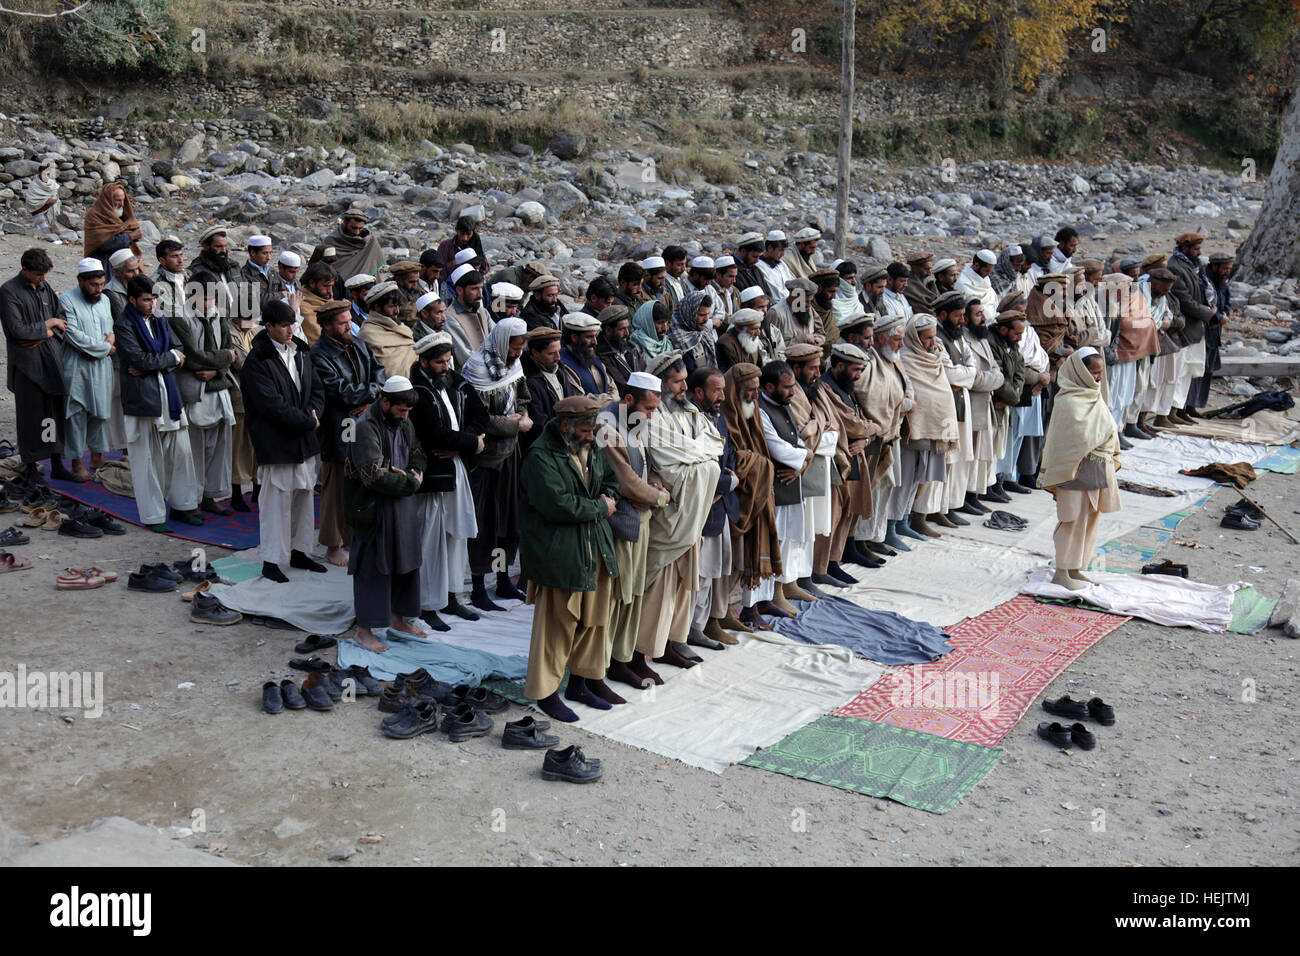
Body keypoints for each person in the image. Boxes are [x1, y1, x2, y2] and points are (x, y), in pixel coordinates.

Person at [519, 394, 621, 721]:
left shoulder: (589, 445)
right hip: (559, 552)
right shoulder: (539, 456)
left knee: (593, 621)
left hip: (594, 546)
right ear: (566, 426)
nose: (592, 437)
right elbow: (557, 505)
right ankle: (545, 693)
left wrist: (610, 497)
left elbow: (611, 481)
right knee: (556, 626)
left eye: (593, 431)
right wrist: (600, 507)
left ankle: (581, 682)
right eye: (587, 432)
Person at [638, 351, 723, 669]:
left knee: (684, 584)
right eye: (676, 382)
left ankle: (675, 640)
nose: (684, 387)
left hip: (693, 510)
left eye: (685, 380)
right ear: (659, 385)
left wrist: (699, 458)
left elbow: (716, 443)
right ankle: (648, 646)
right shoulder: (651, 415)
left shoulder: (689, 410)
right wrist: (702, 460)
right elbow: (668, 463)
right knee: (661, 585)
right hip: (671, 512)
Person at [239, 300, 325, 583]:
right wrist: (308, 421)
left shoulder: (301, 351)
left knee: (303, 496)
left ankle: (300, 551)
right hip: (276, 441)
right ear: (270, 326)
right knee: (275, 502)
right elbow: (271, 406)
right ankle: (272, 560)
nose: (290, 330)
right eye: (284, 325)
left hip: (305, 439)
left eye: (292, 324)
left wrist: (314, 415)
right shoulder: (257, 361)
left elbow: (316, 389)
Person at [597, 371, 672, 689]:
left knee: (634, 594)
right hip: (621, 524)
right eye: (650, 408)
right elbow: (626, 482)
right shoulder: (605, 428)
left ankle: (626, 658)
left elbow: (641, 465)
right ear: (628, 400)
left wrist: (654, 482)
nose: (653, 415)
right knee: (618, 596)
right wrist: (659, 496)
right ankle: (608, 664)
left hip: (640, 520)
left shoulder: (632, 420)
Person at [343, 377, 427, 652]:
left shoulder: (404, 421)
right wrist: (411, 482)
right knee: (372, 568)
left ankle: (398, 618)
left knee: (406, 560)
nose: (404, 416)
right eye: (401, 410)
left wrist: (412, 472)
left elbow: (417, 452)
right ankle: (364, 631)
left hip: (401, 505)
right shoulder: (364, 427)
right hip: (372, 510)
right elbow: (374, 476)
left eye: (408, 412)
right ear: (385, 400)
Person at [409, 331, 485, 630]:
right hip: (433, 476)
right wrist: (472, 443)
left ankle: (452, 596)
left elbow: (481, 414)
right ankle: (429, 604)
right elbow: (434, 435)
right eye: (439, 362)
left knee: (457, 536)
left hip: (456, 467)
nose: (445, 367)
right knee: (432, 540)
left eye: (447, 361)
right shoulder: (417, 391)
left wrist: (470, 441)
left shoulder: (455, 381)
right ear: (424, 362)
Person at [113, 275, 202, 532]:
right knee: (147, 460)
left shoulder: (159, 318)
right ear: (132, 300)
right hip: (143, 400)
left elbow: (178, 351)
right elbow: (139, 361)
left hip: (168, 395)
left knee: (181, 454)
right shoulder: (124, 325)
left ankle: (183, 507)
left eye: (153, 299)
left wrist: (159, 361)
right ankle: (153, 516)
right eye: (145, 300)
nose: (151, 305)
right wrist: (165, 360)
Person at [460, 317, 532, 611]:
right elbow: (477, 418)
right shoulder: (476, 369)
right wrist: (513, 425)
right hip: (485, 460)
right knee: (484, 523)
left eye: (520, 348)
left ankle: (502, 579)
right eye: (514, 347)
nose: (517, 353)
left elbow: (522, 397)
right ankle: (479, 586)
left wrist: (523, 416)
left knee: (507, 522)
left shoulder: (514, 366)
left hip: (510, 458)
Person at [1039, 349, 1121, 591]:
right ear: (1080, 372)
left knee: (1090, 518)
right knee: (1071, 519)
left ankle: (1076, 568)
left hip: (1096, 467)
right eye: (1094, 373)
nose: (1098, 378)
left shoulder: (1094, 396)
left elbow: (1107, 428)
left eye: (1100, 373)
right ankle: (1061, 571)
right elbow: (1080, 437)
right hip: (1073, 470)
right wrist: (1104, 435)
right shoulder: (1068, 400)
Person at [313, 299, 386, 566]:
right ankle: (333, 546)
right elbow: (339, 391)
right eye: (342, 323)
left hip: (364, 421)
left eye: (348, 321)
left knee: (358, 481)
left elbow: (378, 371)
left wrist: (370, 395)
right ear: (327, 326)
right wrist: (370, 394)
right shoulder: (319, 355)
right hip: (339, 426)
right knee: (336, 487)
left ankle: (351, 538)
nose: (348, 326)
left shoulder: (357, 344)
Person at [170, 245, 238, 517]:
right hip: (193, 390)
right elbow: (192, 358)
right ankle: (190, 500)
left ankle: (210, 495)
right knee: (192, 451)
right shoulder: (178, 316)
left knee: (217, 449)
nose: (209, 301)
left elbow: (232, 353)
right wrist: (221, 361)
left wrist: (217, 371)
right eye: (205, 296)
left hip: (217, 389)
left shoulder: (219, 315)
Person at [1, 248, 75, 485]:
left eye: (44, 274)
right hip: (27, 366)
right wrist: (49, 325)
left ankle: (55, 464)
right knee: (30, 417)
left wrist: (45, 331)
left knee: (52, 415)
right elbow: (17, 331)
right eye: (38, 274)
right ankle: (31, 466)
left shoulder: (45, 289)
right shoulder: (9, 292)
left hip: (52, 362)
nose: (42, 278)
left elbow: (62, 322)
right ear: (25, 270)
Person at [721, 362, 783, 629]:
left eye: (757, 390)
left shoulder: (752, 411)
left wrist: (760, 465)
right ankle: (732, 611)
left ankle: (755, 604)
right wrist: (761, 465)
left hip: (758, 489)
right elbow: (732, 457)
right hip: (737, 495)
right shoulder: (725, 414)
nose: (755, 396)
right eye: (749, 390)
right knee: (731, 560)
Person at [754, 358, 815, 615]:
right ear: (769, 388)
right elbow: (777, 447)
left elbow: (798, 440)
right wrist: (804, 457)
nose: (793, 391)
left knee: (790, 539)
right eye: (787, 387)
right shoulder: (760, 409)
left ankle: (785, 587)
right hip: (775, 485)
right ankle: (769, 597)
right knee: (775, 543)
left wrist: (803, 458)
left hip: (792, 481)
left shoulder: (782, 403)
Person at [685, 365, 739, 650]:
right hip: (701, 509)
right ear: (698, 391)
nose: (722, 396)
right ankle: (688, 630)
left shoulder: (718, 418)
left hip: (720, 506)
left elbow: (728, 454)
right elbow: (693, 466)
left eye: (723, 390)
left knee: (711, 572)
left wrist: (729, 479)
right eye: (716, 390)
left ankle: (702, 625)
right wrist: (721, 485)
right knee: (698, 574)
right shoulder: (688, 420)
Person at [893, 314, 958, 540]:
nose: (932, 342)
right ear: (915, 337)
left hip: (935, 427)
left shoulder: (936, 356)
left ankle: (908, 518)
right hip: (913, 428)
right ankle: (895, 523)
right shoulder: (906, 358)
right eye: (927, 338)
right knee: (905, 477)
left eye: (933, 337)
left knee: (920, 477)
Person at [853, 314, 912, 554]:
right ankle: (861, 539)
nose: (901, 345)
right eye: (896, 339)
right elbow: (870, 397)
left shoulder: (894, 360)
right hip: (876, 435)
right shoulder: (870, 363)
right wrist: (903, 405)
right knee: (871, 489)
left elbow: (906, 389)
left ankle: (877, 535)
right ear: (880, 339)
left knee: (887, 485)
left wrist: (905, 402)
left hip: (891, 433)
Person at [59, 259, 116, 481]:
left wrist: (106, 343)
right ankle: (75, 463)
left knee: (101, 412)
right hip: (77, 367)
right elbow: (73, 335)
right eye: (94, 285)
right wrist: (106, 348)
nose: (99, 289)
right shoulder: (66, 300)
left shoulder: (104, 300)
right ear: (80, 281)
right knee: (76, 413)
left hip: (101, 366)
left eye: (101, 284)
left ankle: (97, 456)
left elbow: (110, 328)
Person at [1167, 232, 1215, 422]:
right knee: (1178, 373)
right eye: (1195, 249)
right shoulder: (1175, 267)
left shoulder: (1194, 266)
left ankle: (1179, 411)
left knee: (1189, 372)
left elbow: (1204, 291)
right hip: (1184, 330)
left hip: (1196, 328)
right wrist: (1210, 313)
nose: (1198, 252)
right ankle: (1170, 413)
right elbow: (1186, 301)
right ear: (1184, 248)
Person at [521, 326, 572, 450]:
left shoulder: (560, 371)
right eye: (551, 353)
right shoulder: (530, 382)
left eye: (559, 352)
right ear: (535, 353)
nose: (558, 358)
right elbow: (539, 425)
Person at [358, 280, 417, 379]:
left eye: (398, 306)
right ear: (377, 307)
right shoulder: (367, 333)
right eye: (391, 306)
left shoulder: (402, 328)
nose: (397, 311)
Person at [558, 311, 618, 401]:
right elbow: (580, 400)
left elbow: (612, 386)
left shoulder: (591, 356)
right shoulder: (564, 363)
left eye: (595, 337)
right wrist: (611, 399)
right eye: (589, 337)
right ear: (574, 338)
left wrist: (612, 399)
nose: (595, 342)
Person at [83, 181, 142, 272]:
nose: (122, 204)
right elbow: (103, 244)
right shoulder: (95, 215)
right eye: (118, 200)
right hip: (104, 264)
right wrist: (130, 236)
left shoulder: (122, 215)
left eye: (123, 200)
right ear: (108, 200)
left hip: (124, 263)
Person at [324, 208, 384, 294]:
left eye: (360, 228)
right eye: (354, 228)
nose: (357, 232)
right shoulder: (331, 241)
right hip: (339, 289)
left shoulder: (370, 242)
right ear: (345, 222)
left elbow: (381, 268)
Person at [445, 264, 493, 365]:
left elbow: (498, 336)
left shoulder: (482, 311)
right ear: (459, 290)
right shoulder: (450, 317)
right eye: (474, 289)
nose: (480, 294)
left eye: (481, 288)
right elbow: (465, 356)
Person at [594, 305, 644, 392]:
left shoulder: (630, 346)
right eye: (622, 329)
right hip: (623, 402)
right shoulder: (602, 354)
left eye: (627, 328)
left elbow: (645, 371)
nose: (627, 333)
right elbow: (621, 385)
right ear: (608, 330)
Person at [667, 289, 718, 372]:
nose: (706, 319)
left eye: (708, 314)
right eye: (702, 315)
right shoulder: (675, 337)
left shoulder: (704, 333)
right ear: (689, 312)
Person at [26, 162, 66, 243]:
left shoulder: (51, 183)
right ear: (40, 173)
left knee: (55, 223)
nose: (46, 176)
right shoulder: (34, 186)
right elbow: (31, 201)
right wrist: (46, 202)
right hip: (38, 210)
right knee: (44, 228)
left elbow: (55, 195)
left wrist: (52, 201)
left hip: (50, 208)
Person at [629, 300, 674, 365]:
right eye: (659, 323)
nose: (665, 328)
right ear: (647, 322)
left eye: (667, 322)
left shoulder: (667, 343)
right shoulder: (635, 346)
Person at [240, 235, 274, 304]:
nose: (269, 257)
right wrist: (281, 295)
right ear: (253, 253)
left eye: (270, 253)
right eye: (264, 253)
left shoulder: (272, 271)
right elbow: (256, 299)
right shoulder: (244, 274)